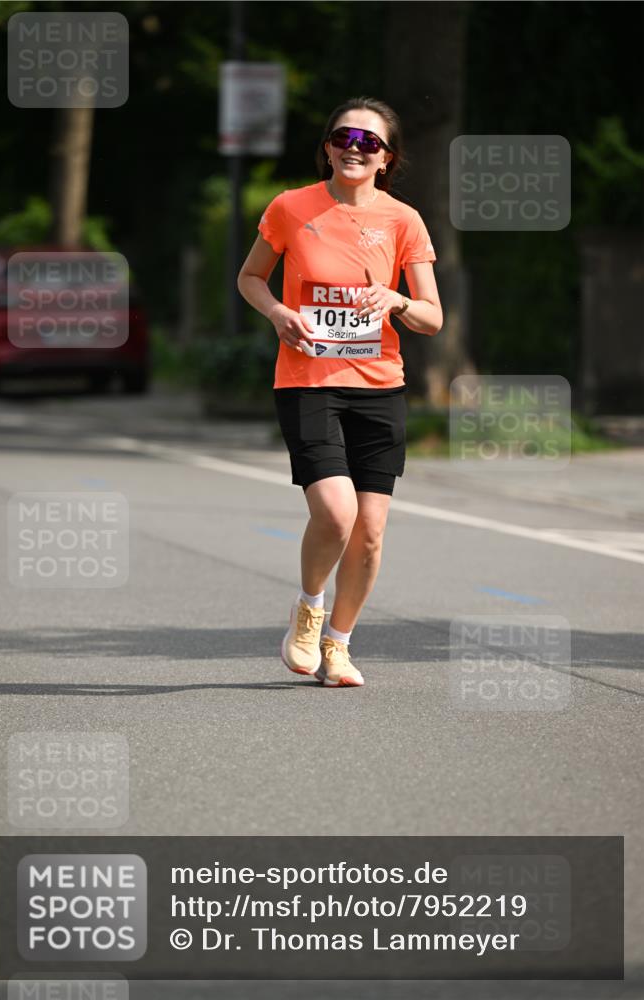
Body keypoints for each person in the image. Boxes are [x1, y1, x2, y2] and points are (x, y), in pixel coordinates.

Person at [237, 96, 442, 688]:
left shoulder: (404, 221)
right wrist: (278, 312)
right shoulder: (289, 208)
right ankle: (308, 610)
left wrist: (398, 301)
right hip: (308, 380)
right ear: (327, 147)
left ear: (386, 158)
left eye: (369, 142)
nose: (355, 148)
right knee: (335, 512)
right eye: (343, 138)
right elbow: (250, 277)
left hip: (380, 386)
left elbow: (432, 317)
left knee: (371, 532)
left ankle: (340, 645)